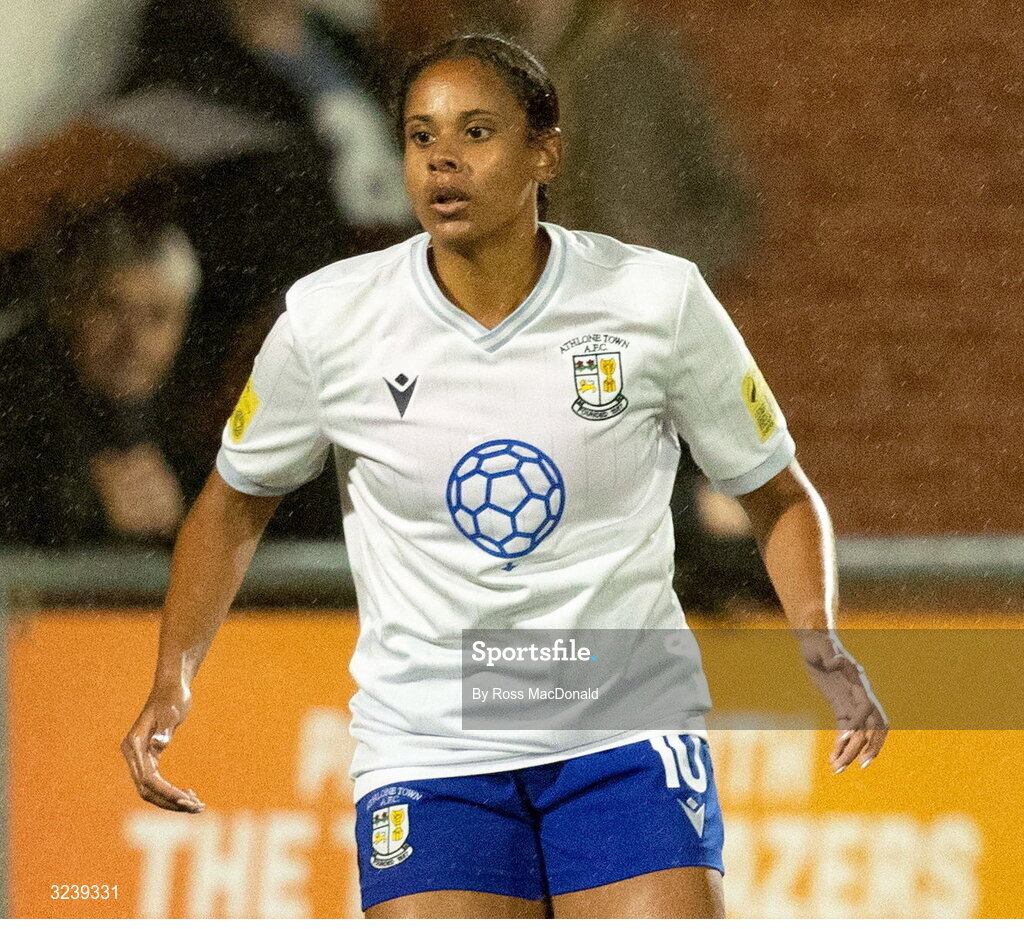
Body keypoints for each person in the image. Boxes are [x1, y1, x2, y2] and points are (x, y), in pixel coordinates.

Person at [121, 35, 888, 918]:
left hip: (624, 729)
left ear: (545, 150)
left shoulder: (654, 300)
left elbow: (777, 493)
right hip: (429, 745)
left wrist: (820, 640)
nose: (442, 158)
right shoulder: (331, 319)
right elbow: (228, 508)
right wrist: (173, 679)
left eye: (476, 131)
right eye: (419, 136)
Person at [0, 194, 204, 545]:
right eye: (111, 308)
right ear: (68, 309)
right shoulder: (16, 394)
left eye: (157, 317)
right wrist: (88, 502)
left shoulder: (198, 417)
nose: (133, 341)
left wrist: (196, 513)